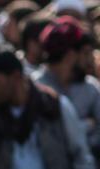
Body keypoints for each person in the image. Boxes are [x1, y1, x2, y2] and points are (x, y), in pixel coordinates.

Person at [34, 17, 100, 156]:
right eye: (85, 53)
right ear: (70, 56)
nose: (90, 59)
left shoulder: (90, 88)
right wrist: (84, 126)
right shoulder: (36, 88)